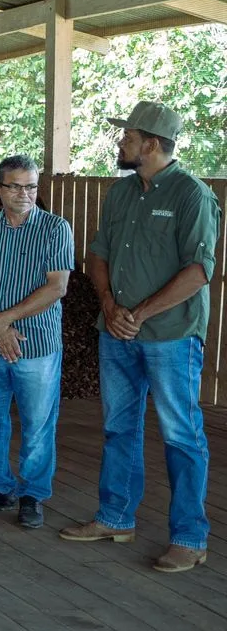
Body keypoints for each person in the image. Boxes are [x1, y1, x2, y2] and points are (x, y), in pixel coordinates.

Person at [61, 102, 221, 573]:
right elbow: (98, 255)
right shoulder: (122, 192)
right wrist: (110, 306)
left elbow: (199, 271)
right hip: (117, 331)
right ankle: (115, 517)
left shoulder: (193, 195)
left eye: (127, 137)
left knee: (181, 434)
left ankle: (190, 537)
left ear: (151, 144)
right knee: (118, 427)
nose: (120, 143)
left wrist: (141, 314)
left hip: (170, 335)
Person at [0, 155, 73, 529]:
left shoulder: (56, 229)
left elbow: (57, 287)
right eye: (15, 186)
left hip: (37, 344)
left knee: (38, 423)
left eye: (31, 186)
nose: (25, 193)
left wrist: (4, 320)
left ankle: (32, 495)